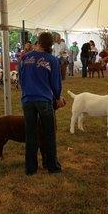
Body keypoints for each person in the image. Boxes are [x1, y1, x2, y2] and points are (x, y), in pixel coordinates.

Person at [19, 32, 66, 175]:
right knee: (49, 134)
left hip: (27, 100)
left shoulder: (25, 58)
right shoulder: (51, 59)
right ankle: (52, 166)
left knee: (31, 134)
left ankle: (30, 168)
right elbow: (56, 82)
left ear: (38, 42)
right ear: (51, 45)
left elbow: (21, 79)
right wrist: (57, 97)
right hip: (44, 100)